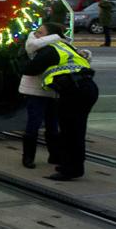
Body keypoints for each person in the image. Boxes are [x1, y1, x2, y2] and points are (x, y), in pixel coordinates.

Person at [20, 21, 96, 181]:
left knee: (70, 131)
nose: (36, 35)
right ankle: (69, 164)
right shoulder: (64, 46)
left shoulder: (50, 49)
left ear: (49, 36)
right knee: (74, 130)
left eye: (40, 33)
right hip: (85, 87)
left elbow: (29, 69)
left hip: (73, 91)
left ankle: (71, 169)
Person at [17, 23, 63, 169]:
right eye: (37, 32)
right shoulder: (34, 45)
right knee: (34, 125)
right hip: (35, 91)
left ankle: (54, 155)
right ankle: (28, 157)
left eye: (41, 32)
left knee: (52, 126)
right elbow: (30, 68)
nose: (36, 34)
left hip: (52, 92)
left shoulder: (56, 47)